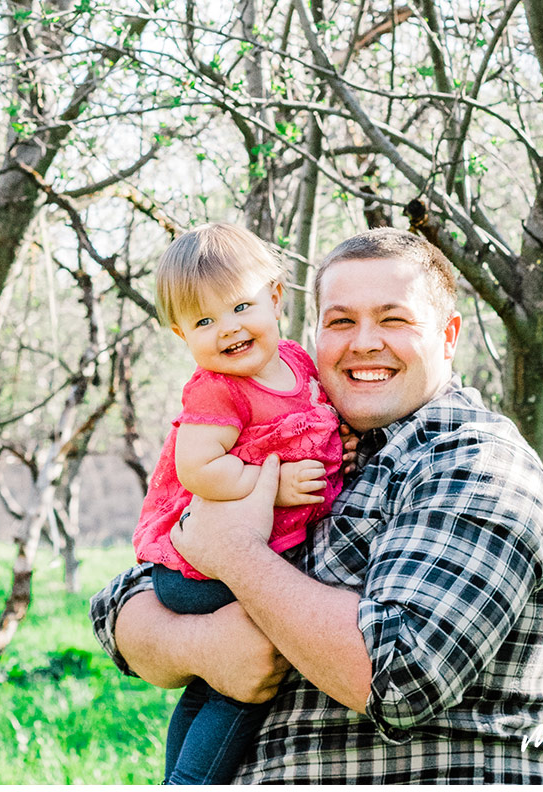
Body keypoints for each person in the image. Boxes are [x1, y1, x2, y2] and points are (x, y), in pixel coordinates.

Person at [91, 227, 543, 785]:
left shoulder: (476, 466)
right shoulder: (297, 436)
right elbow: (121, 606)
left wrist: (236, 554)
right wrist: (202, 647)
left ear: (448, 336)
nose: (364, 342)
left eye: (393, 319)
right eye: (341, 321)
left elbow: (402, 679)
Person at [128, 222, 343, 785]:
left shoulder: (297, 363)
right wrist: (269, 487)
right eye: (203, 321)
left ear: (275, 296)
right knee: (245, 675)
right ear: (181, 334)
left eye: (239, 306)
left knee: (208, 684)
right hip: (201, 567)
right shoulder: (217, 390)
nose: (227, 329)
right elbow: (197, 468)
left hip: (224, 557)